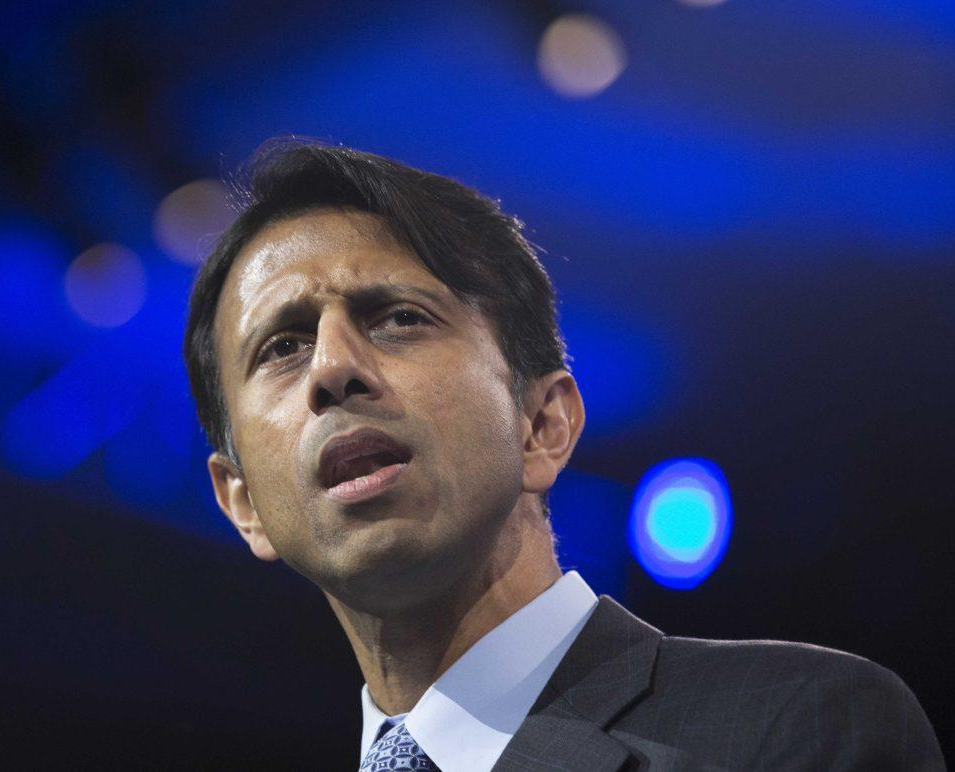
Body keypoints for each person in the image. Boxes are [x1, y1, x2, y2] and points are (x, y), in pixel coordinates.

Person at [182, 140, 944, 771]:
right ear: (242, 501)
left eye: (398, 318)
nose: (331, 368)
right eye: (282, 346)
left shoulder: (796, 730)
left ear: (542, 424)